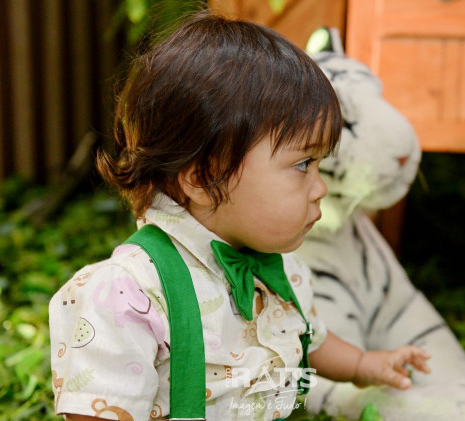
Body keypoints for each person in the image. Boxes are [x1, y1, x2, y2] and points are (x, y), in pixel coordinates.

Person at [49, 12, 430, 421]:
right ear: (204, 177)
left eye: (320, 165)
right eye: (303, 164)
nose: (320, 188)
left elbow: (309, 337)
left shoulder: (278, 269)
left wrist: (361, 365)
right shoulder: (130, 295)